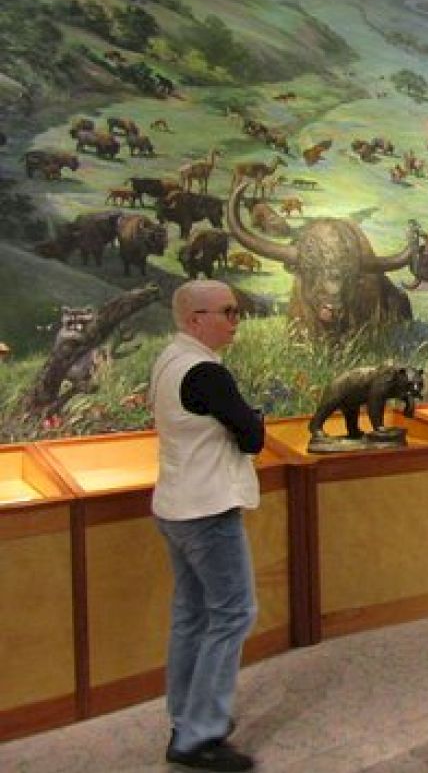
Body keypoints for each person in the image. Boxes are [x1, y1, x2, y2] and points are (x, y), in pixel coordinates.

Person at [151, 281, 262, 772]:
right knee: (234, 613)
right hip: (208, 510)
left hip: (175, 504)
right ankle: (200, 733)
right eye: (227, 312)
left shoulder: (169, 360)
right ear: (196, 319)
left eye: (237, 310)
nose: (236, 320)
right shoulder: (206, 374)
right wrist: (253, 418)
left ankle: (186, 715)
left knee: (192, 614)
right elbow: (253, 435)